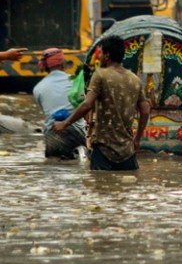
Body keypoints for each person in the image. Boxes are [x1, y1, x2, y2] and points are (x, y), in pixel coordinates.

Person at [53, 36, 150, 171]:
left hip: (104, 150)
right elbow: (145, 111)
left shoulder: (100, 75)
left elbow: (87, 105)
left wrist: (65, 123)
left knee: (100, 187)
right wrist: (138, 139)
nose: (99, 57)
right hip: (128, 150)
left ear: (107, 55)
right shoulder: (135, 79)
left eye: (101, 53)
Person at [33, 48, 86, 160]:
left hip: (53, 135)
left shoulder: (38, 88)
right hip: (78, 133)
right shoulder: (76, 81)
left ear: (45, 66)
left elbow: (46, 112)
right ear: (63, 64)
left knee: (53, 165)